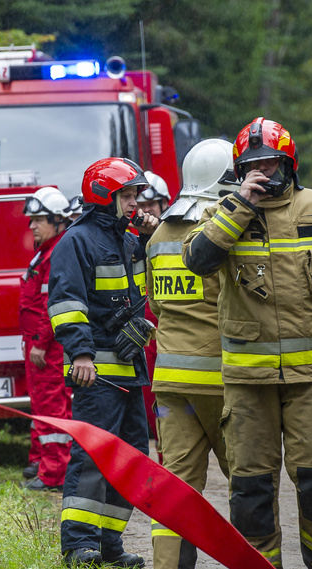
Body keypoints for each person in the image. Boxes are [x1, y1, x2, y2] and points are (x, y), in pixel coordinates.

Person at [183, 117, 312, 568]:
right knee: (250, 488)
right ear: (239, 171)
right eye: (253, 165)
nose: (264, 171)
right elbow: (197, 260)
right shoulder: (223, 212)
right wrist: (240, 205)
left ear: (289, 164)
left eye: (272, 163)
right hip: (247, 381)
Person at [47, 157, 159, 568]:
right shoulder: (76, 241)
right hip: (95, 374)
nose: (134, 204)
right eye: (126, 195)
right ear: (102, 196)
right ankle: (80, 545)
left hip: (129, 370)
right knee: (93, 458)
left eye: (135, 196)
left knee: (131, 459)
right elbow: (66, 302)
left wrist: (150, 239)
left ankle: (109, 545)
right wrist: (80, 353)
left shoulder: (128, 241)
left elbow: (145, 291)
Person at [146, 139, 236, 569]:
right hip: (220, 382)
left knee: (176, 487)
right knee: (247, 482)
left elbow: (156, 305)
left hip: (170, 381)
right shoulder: (222, 231)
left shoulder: (159, 235)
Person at [19, 186, 74, 491]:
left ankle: (54, 474)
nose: (32, 226)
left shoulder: (56, 254)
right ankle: (42, 462)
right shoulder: (45, 252)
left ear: (57, 220)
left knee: (52, 407)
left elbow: (51, 304)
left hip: (48, 347)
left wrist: (40, 342)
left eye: (39, 220)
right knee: (42, 405)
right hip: (38, 343)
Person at [136, 171, 170, 443]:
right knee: (150, 412)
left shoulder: (177, 237)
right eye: (141, 205)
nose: (146, 211)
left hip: (171, 334)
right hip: (143, 339)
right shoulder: (128, 241)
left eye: (151, 204)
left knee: (171, 411)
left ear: (165, 204)